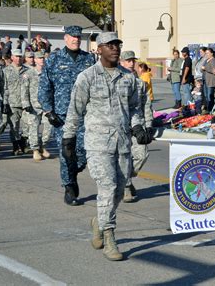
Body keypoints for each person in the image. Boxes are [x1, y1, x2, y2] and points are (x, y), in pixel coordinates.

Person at [62, 32, 148, 261]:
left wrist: (138, 127)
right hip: (98, 144)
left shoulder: (128, 78)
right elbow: (75, 109)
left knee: (120, 191)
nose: (115, 49)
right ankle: (110, 236)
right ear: (98, 49)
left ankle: (98, 222)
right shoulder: (87, 77)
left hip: (122, 143)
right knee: (108, 187)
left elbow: (135, 109)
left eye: (117, 45)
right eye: (109, 45)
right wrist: (68, 138)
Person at [38, 25, 95, 206]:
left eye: (78, 37)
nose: (75, 39)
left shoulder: (89, 60)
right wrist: (48, 111)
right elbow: (44, 87)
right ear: (65, 38)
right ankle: (69, 187)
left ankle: (74, 171)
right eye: (72, 36)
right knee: (65, 153)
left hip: (85, 115)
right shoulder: (54, 59)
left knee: (84, 152)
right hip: (62, 116)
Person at [119, 50, 153, 203]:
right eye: (128, 61)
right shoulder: (118, 82)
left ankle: (124, 178)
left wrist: (149, 125)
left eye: (133, 60)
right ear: (121, 62)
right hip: (121, 125)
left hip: (138, 124)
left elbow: (147, 105)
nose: (131, 63)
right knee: (124, 156)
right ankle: (126, 187)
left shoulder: (140, 83)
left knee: (142, 154)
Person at [21, 51, 53, 162]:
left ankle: (43, 146)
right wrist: (26, 104)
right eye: (39, 58)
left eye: (43, 58)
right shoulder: (28, 74)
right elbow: (24, 90)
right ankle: (35, 150)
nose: (41, 60)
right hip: (33, 106)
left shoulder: (48, 73)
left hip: (46, 106)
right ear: (34, 60)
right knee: (33, 128)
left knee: (48, 128)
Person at [3, 49, 29, 155]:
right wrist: (5, 103)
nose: (18, 58)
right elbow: (4, 88)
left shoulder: (27, 70)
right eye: (16, 56)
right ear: (12, 57)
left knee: (28, 125)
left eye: (20, 56)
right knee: (14, 127)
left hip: (26, 103)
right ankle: (15, 146)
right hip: (12, 103)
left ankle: (22, 142)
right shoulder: (6, 71)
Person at [201, 48, 215, 112]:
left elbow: (214, 71)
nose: (206, 54)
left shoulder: (213, 60)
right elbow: (202, 68)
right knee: (206, 96)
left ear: (211, 53)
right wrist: (202, 69)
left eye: (207, 53)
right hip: (205, 80)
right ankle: (208, 108)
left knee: (210, 96)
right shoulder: (206, 60)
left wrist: (205, 68)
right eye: (206, 53)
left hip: (211, 81)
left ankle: (210, 109)